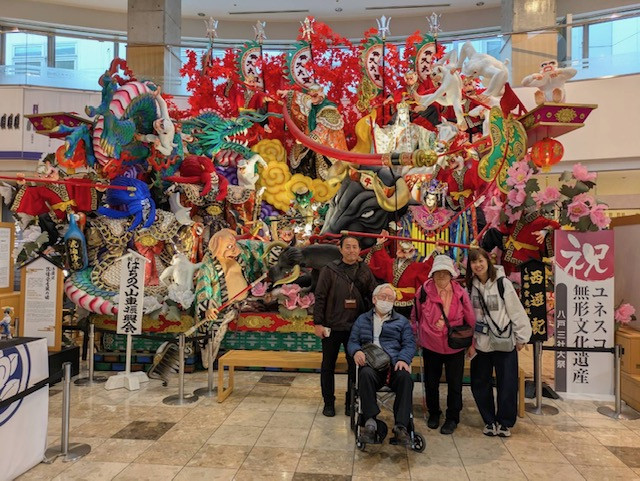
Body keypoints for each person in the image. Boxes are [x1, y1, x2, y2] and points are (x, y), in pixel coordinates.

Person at [466, 248, 532, 437]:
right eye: (473, 262)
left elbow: (516, 311)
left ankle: (504, 422)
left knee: (507, 383)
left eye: (480, 260)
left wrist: (521, 337)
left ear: (488, 261)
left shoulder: (503, 283)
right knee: (480, 382)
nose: (477, 265)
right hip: (481, 343)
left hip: (504, 341)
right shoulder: (471, 286)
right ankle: (488, 420)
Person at [314, 235, 378, 417]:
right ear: (340, 249)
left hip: (355, 328)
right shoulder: (329, 270)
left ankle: (351, 401)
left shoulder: (364, 270)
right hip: (331, 326)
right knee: (328, 366)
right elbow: (320, 297)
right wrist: (318, 323)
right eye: (347, 247)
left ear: (359, 250)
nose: (351, 250)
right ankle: (328, 402)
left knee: (354, 367)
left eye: (355, 247)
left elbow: (373, 294)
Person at [411, 255, 475, 435]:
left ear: (451, 274)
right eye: (438, 272)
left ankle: (453, 417)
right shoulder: (423, 291)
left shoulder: (460, 292)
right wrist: (416, 337)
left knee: (455, 384)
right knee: (431, 383)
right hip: (430, 344)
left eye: (445, 273)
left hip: (454, 345)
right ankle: (434, 412)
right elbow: (415, 316)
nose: (441, 276)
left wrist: (472, 343)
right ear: (432, 274)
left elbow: (470, 318)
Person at [348, 283, 416, 444]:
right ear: (374, 299)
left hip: (394, 365)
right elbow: (352, 341)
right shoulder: (362, 319)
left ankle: (401, 426)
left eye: (390, 298)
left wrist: (403, 359)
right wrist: (356, 351)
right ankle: (370, 422)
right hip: (371, 364)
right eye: (382, 297)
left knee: (406, 378)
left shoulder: (402, 321)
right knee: (364, 374)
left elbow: (409, 344)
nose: (386, 301)